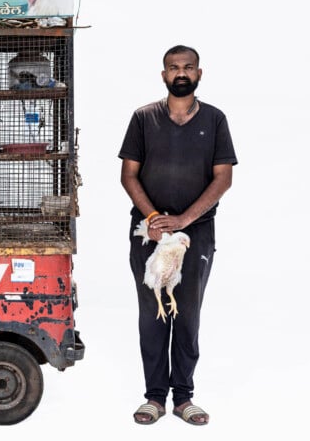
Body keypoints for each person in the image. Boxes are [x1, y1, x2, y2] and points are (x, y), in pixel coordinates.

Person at [118, 45, 237, 426]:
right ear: (164, 75)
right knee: (153, 314)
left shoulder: (215, 120)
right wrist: (153, 217)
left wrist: (184, 220)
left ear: (199, 74)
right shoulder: (143, 118)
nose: (180, 73)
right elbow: (129, 175)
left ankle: (184, 398)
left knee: (186, 315)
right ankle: (154, 398)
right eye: (173, 68)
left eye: (188, 67)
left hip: (195, 234)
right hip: (147, 232)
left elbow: (224, 178)